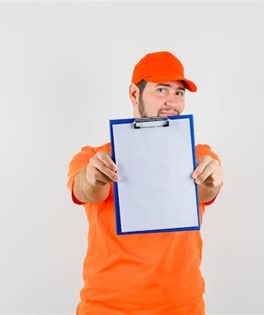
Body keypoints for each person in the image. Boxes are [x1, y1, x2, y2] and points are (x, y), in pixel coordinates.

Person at [66, 51, 224, 315]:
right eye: (161, 90)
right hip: (108, 307)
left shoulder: (200, 156)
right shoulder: (94, 157)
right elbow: (88, 189)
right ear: (133, 94)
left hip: (182, 306)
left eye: (179, 93)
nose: (172, 102)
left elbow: (207, 190)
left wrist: (213, 178)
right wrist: (93, 177)